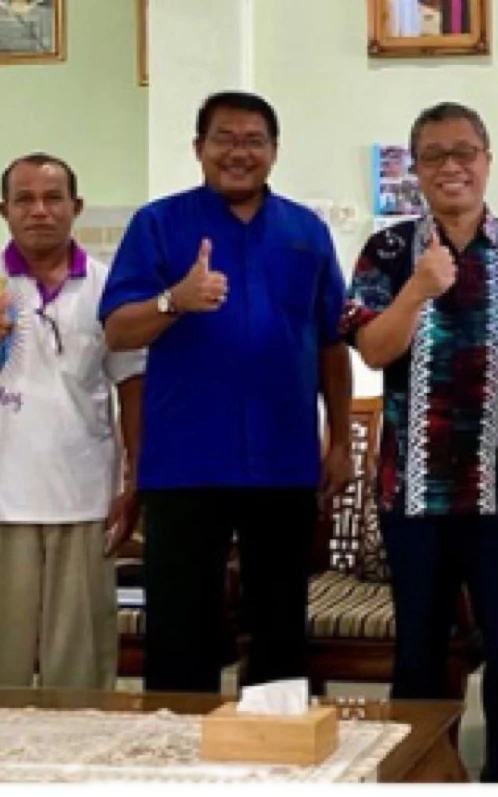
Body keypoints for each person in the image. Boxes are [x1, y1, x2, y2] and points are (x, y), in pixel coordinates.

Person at [341, 102, 498, 782]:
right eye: (434, 155)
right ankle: (421, 775)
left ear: (486, 160)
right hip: (413, 491)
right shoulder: (389, 252)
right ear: (415, 170)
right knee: (419, 648)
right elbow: (372, 349)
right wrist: (417, 291)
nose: (451, 166)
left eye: (464, 152)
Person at [98, 92, 354, 693]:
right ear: (199, 148)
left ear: (274, 151)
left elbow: (331, 342)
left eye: (253, 140)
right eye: (225, 139)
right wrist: (174, 301)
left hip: (282, 457)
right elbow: (117, 330)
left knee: (279, 629)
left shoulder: (306, 232)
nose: (239, 153)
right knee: (180, 629)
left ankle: (277, 745)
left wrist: (340, 438)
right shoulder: (158, 224)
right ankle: (178, 744)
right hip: (185, 461)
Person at [0, 153, 146, 691]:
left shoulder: (108, 288)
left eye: (52, 198)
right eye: (24, 199)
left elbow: (132, 387)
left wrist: (135, 479)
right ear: (4, 210)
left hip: (82, 500)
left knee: (81, 673)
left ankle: (76, 747)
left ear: (76, 207)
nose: (39, 210)